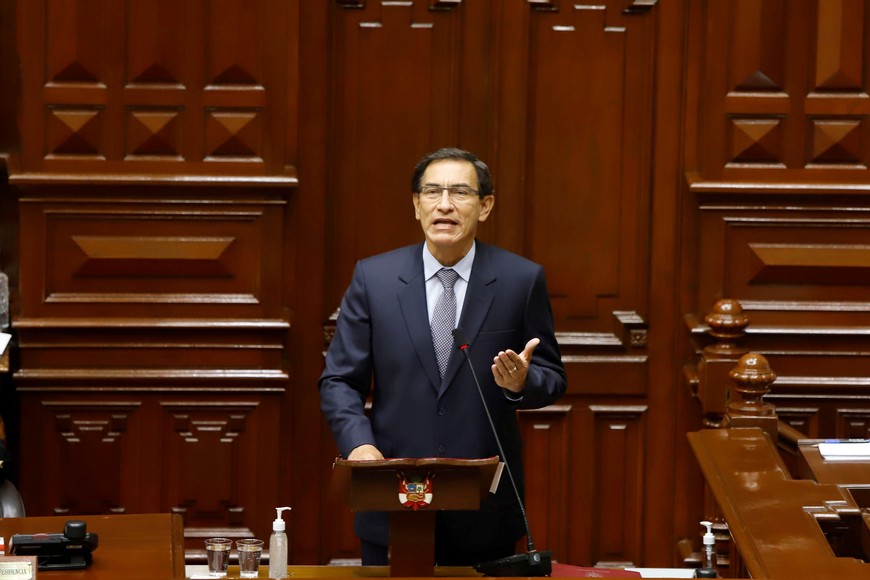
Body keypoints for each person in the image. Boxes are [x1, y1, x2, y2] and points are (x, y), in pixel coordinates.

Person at [318, 147, 567, 566]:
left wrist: (521, 383)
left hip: (484, 510)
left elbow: (552, 375)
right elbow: (340, 379)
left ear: (485, 206)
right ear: (417, 205)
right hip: (392, 500)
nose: (445, 204)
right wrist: (359, 446)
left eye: (460, 193)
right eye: (432, 192)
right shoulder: (374, 279)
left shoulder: (520, 280)